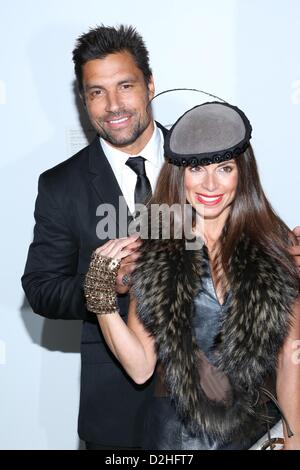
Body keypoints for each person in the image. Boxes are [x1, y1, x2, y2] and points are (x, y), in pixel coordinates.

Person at [84, 101, 300, 450]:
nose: (210, 184)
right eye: (197, 169)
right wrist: (101, 300)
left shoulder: (274, 246)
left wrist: (294, 440)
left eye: (225, 168)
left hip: (255, 438)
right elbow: (140, 367)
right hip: (175, 441)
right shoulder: (157, 251)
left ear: (242, 173)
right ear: (179, 173)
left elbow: (290, 357)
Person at [21, 24, 167, 449]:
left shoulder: (202, 158)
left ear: (150, 84)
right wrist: (107, 284)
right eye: (96, 92)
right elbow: (41, 288)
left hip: (213, 396)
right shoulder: (61, 185)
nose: (114, 105)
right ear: (83, 100)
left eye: (125, 85)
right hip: (120, 407)